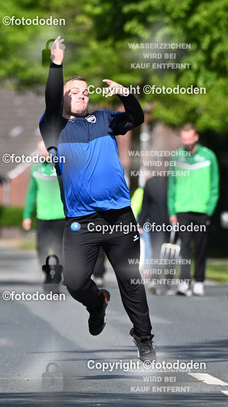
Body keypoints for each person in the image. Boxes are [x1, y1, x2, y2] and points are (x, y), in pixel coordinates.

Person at [39, 36, 155, 360]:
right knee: (75, 282)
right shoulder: (54, 127)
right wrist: (56, 65)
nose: (82, 95)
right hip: (82, 221)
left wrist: (127, 95)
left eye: (85, 91)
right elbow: (51, 99)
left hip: (120, 217)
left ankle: (144, 338)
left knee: (131, 280)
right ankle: (97, 303)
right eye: (73, 92)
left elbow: (136, 118)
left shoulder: (104, 119)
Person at [168, 123, 219, 296]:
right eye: (184, 139)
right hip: (182, 209)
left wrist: (209, 209)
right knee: (184, 246)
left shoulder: (209, 156)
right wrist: (172, 211)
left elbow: (214, 185)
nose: (187, 142)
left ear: (196, 137)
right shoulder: (176, 156)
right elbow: (172, 185)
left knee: (201, 246)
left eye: (189, 139)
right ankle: (184, 281)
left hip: (202, 210)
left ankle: (199, 280)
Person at [22, 140, 65, 294]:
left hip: (61, 216)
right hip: (43, 216)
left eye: (47, 150)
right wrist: (27, 215)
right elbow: (31, 193)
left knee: (60, 249)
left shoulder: (64, 168)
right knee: (41, 248)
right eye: (41, 150)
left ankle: (57, 277)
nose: (44, 153)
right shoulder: (35, 169)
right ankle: (47, 274)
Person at [137, 175, 170, 294]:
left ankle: (168, 281)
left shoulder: (172, 181)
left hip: (171, 222)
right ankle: (155, 280)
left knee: (168, 252)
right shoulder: (150, 183)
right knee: (155, 251)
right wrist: (141, 223)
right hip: (155, 223)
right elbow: (145, 204)